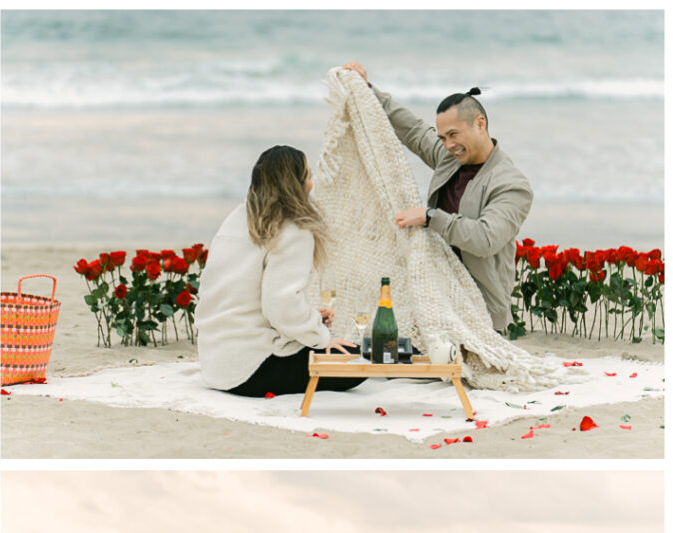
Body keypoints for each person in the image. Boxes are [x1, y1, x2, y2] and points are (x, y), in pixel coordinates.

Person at [343, 62, 533, 335]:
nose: (447, 145)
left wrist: (430, 217)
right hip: (437, 298)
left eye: (453, 135)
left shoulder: (512, 185)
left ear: (481, 124)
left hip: (481, 311)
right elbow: (413, 131)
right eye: (442, 137)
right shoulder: (451, 157)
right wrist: (367, 91)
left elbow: (485, 239)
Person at [196, 145, 361, 396]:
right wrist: (322, 338)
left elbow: (247, 299)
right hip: (252, 368)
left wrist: (309, 318)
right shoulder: (294, 230)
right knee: (355, 359)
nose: (311, 184)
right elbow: (280, 307)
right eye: (307, 176)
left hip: (214, 363)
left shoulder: (237, 217)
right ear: (294, 184)